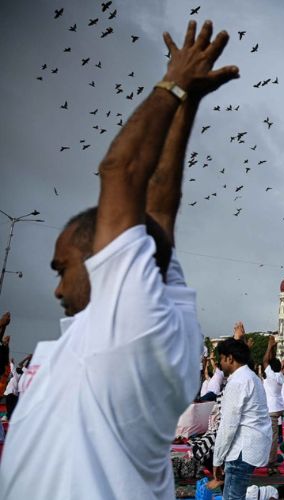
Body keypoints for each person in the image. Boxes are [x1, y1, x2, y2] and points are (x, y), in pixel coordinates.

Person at [0, 20, 239, 499]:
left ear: (105, 257)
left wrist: (173, 84)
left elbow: (120, 170)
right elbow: (159, 205)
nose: (57, 289)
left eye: (62, 268)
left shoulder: (126, 329)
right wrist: (189, 102)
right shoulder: (164, 323)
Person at [212, 338, 271, 500]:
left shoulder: (238, 381)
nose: (220, 364)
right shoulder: (252, 378)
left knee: (232, 497)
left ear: (230, 358)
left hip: (241, 450)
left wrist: (217, 459)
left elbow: (228, 425)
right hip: (252, 446)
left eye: (221, 359)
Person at [263, 332, 284, 474]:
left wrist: (269, 347)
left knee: (272, 438)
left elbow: (266, 360)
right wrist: (274, 348)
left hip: (271, 410)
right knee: (271, 436)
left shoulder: (272, 376)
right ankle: (269, 458)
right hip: (277, 409)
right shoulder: (279, 376)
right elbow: (272, 363)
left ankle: (270, 462)